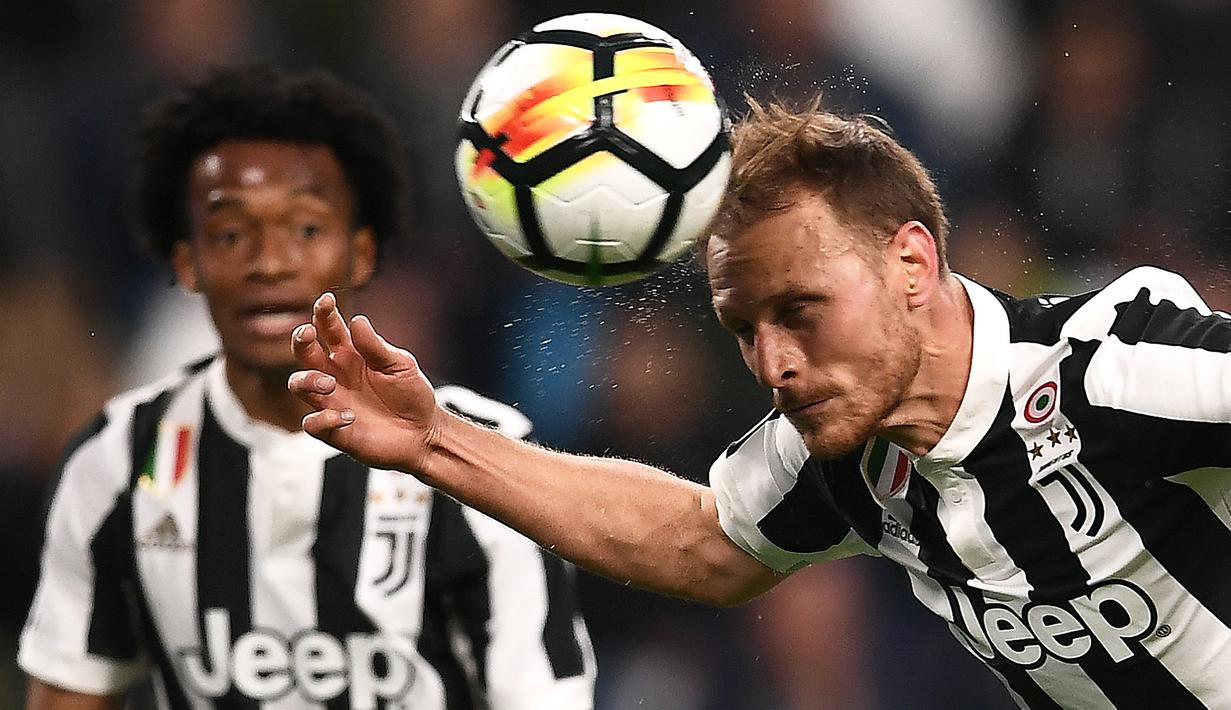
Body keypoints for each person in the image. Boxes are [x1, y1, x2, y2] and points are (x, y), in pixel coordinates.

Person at [288, 96, 1231, 709]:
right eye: (743, 327)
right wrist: (434, 442)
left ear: (911, 261)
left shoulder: (1105, 369)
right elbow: (703, 544)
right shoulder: (844, 450)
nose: (772, 362)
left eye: (800, 311)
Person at [19, 64, 596, 710]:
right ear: (187, 261)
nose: (269, 262)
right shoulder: (117, 460)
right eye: (231, 233)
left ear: (362, 253)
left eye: (306, 229)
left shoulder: (486, 457)